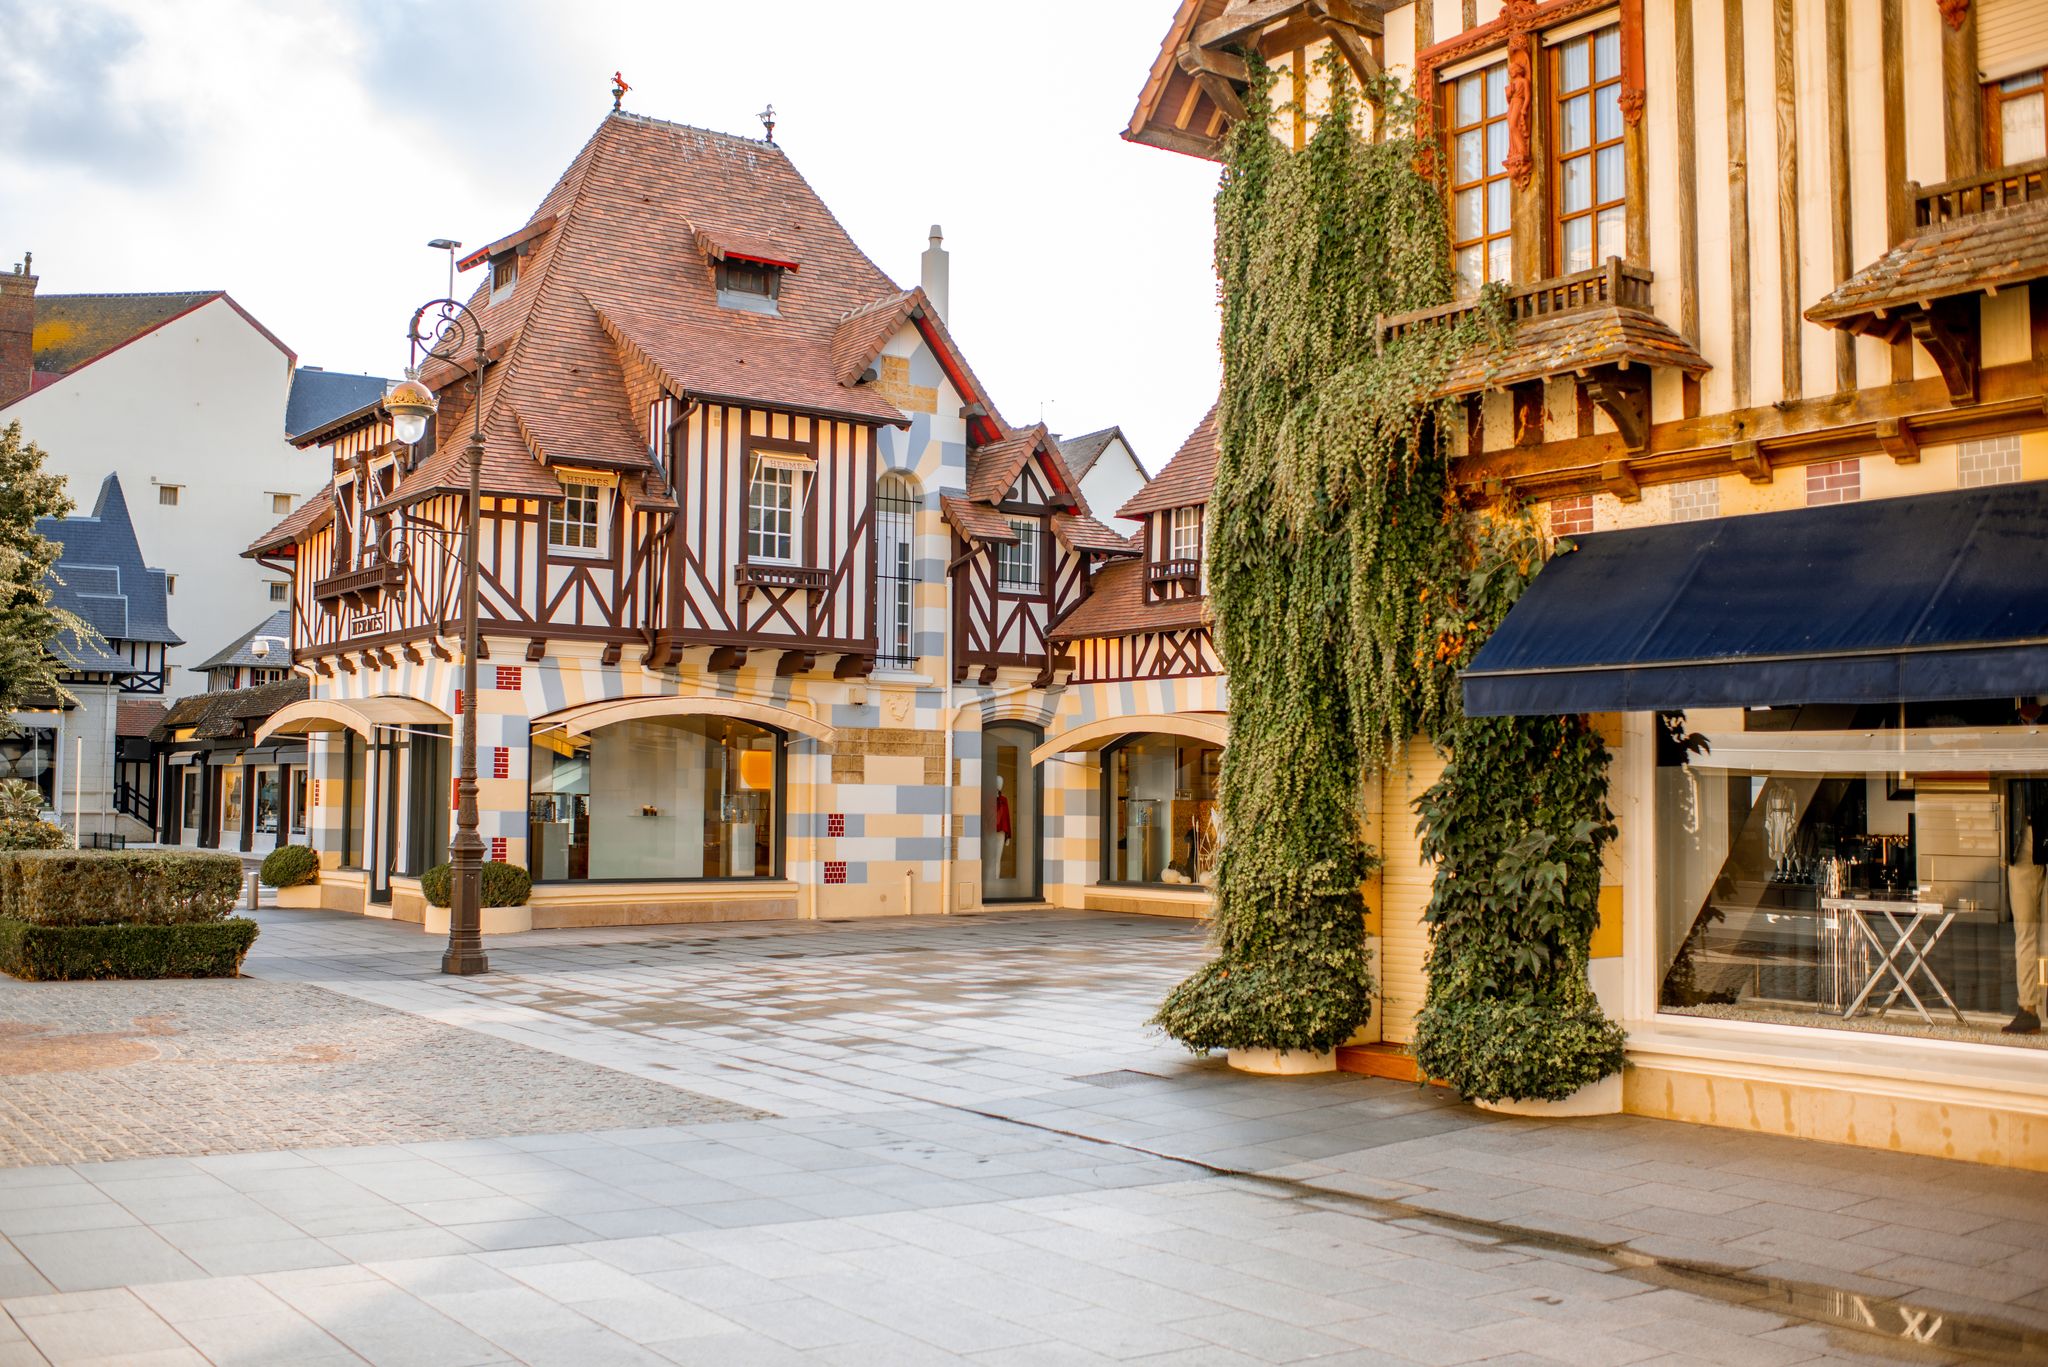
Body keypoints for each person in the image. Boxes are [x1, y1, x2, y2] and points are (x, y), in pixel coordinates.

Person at [2002, 778, 2047, 1034]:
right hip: (2024, 830)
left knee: (2027, 931)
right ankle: (2028, 1008)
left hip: (2028, 826)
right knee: (2025, 929)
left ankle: (2029, 1009)